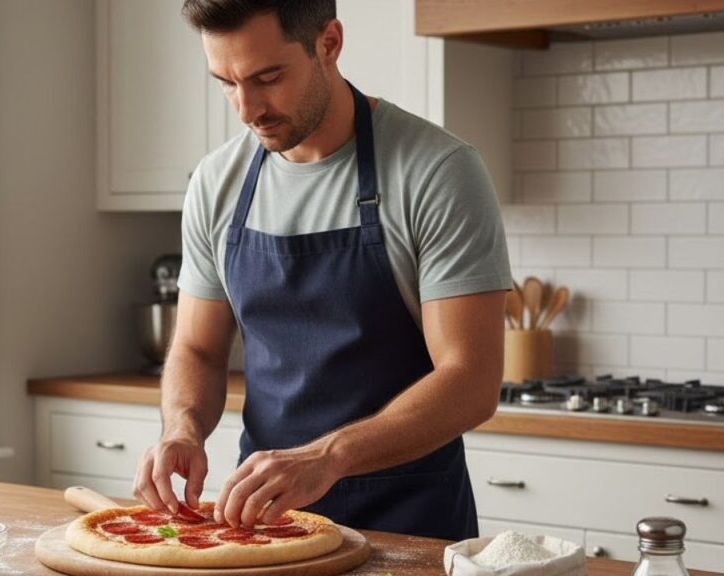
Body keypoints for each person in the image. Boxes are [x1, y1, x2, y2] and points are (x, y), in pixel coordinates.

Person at [132, 0, 512, 541]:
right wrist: (183, 430)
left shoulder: (438, 171)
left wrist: (326, 458)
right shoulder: (217, 183)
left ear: (329, 43)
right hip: (266, 522)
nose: (247, 108)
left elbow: (471, 380)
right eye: (226, 82)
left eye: (268, 77)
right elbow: (198, 348)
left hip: (409, 525)